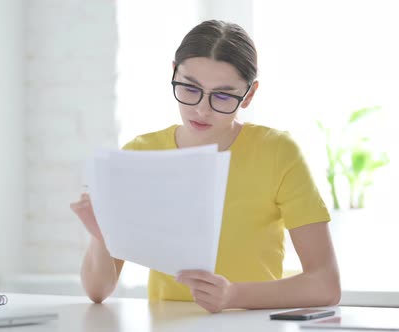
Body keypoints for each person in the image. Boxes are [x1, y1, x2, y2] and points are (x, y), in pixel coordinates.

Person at [70, 20, 340, 313]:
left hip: (250, 325)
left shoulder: (277, 153)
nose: (201, 109)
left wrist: (233, 296)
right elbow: (97, 291)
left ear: (249, 95)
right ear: (173, 72)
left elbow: (325, 284)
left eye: (222, 95)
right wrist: (101, 233)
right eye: (189, 88)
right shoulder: (141, 152)